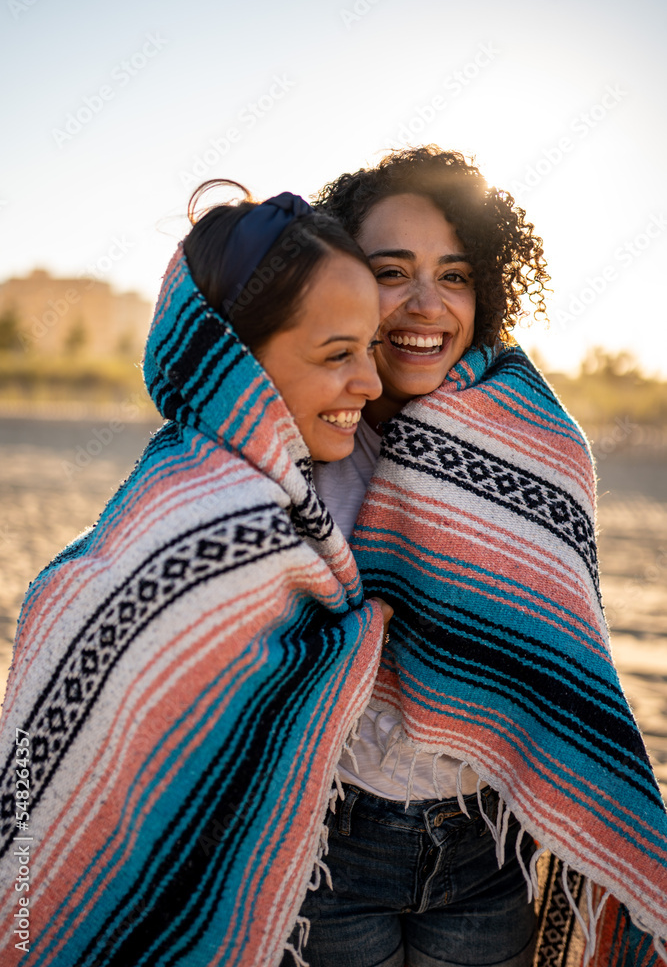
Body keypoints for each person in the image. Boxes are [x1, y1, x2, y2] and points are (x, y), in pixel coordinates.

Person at [291, 147, 667, 967]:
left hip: (483, 849)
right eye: (391, 271)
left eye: (454, 276)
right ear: (342, 285)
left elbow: (559, 647)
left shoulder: (537, 440)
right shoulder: (294, 436)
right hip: (327, 844)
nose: (426, 304)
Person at [0, 182, 393, 966]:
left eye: (372, 347)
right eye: (337, 355)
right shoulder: (205, 528)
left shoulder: (230, 489)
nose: (371, 384)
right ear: (234, 364)